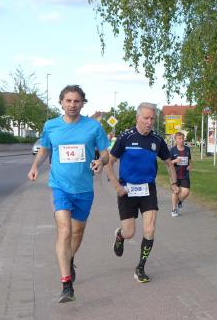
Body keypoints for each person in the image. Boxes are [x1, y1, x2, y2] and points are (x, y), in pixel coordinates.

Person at [28, 85, 109, 303]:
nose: (72, 105)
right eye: (68, 101)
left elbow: (105, 154)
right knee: (64, 230)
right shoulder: (51, 126)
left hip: (84, 188)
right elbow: (45, 148)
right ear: (61, 102)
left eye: (76, 101)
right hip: (59, 186)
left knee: (77, 232)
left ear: (83, 103)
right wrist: (35, 166)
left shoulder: (93, 127)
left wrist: (100, 162)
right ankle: (66, 285)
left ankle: (69, 259)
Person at [107, 103, 179, 283]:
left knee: (150, 228)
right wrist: (117, 187)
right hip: (127, 190)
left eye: (152, 118)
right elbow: (110, 162)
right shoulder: (126, 137)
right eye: (146, 118)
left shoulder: (157, 140)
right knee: (129, 232)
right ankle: (120, 235)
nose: (149, 122)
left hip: (148, 189)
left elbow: (169, 163)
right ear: (137, 118)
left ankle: (140, 267)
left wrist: (174, 183)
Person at [169, 132, 193, 216]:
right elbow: (168, 163)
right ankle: (174, 210)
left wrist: (190, 166)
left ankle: (179, 201)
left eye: (183, 138)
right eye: (179, 138)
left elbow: (190, 160)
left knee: (186, 192)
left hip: (185, 174)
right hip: (175, 175)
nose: (182, 140)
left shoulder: (187, 149)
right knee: (176, 191)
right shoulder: (172, 150)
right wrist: (175, 161)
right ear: (176, 140)